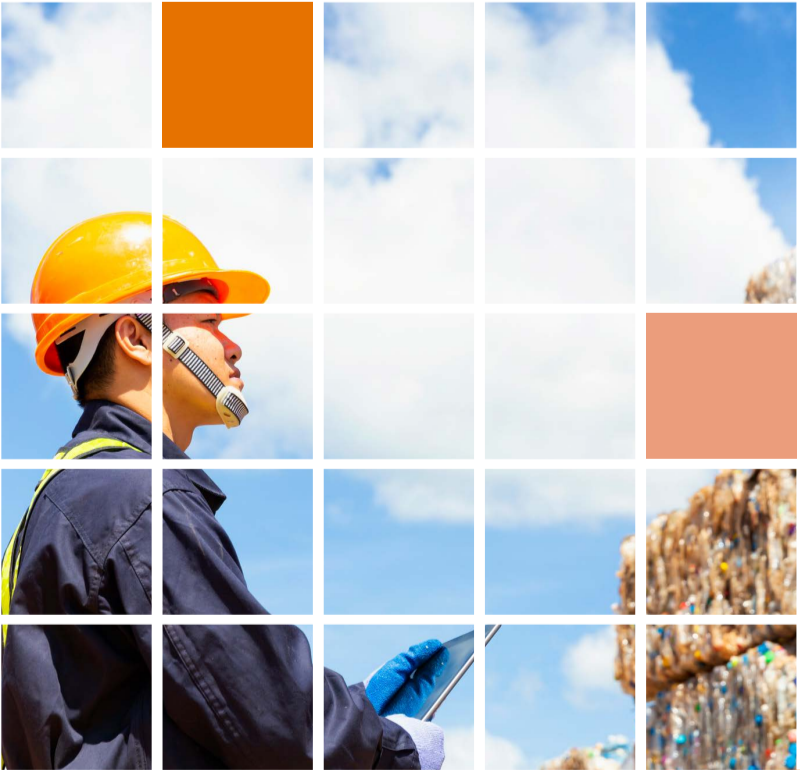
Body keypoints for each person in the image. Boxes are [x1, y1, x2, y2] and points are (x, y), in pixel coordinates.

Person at [1, 212, 446, 770]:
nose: (233, 346)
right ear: (138, 336)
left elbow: (191, 705)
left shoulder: (78, 493)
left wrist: (351, 714)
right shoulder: (137, 496)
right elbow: (266, 714)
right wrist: (389, 748)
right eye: (210, 320)